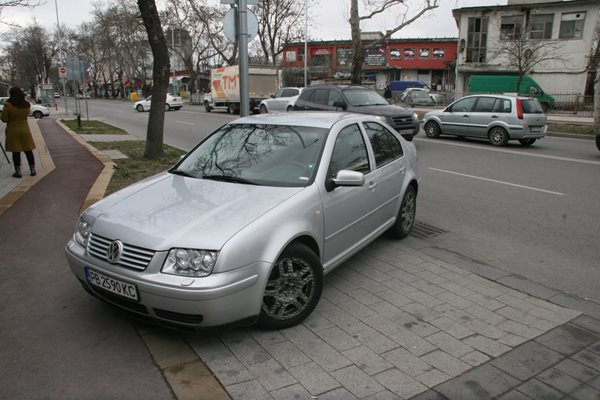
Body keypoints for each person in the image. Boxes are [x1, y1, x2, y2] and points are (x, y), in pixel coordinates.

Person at [1, 86, 36, 178]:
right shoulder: (26, 104)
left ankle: (18, 171)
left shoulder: (8, 105)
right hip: (25, 129)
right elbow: (27, 114)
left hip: (13, 130)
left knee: (15, 151)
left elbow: (4, 119)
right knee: (28, 150)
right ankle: (32, 169)